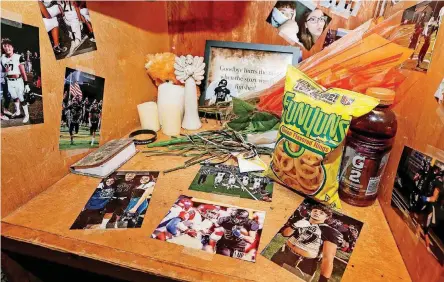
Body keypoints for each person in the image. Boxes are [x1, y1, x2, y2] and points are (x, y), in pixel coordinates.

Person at [270, 205, 343, 282]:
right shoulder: (302, 220)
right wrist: (294, 226)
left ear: (327, 217)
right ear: (311, 211)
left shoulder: (329, 231)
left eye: (321, 213)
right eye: (315, 211)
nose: (317, 213)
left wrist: (323, 280)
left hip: (301, 265)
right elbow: (285, 234)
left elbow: (327, 259)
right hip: (282, 253)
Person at [1, 38, 31, 123]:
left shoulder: (18, 57)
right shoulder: (3, 58)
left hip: (18, 80)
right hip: (9, 81)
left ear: (13, 47)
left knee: (21, 98)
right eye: (5, 46)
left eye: (9, 46)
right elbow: (3, 69)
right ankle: (18, 111)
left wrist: (26, 84)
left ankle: (27, 115)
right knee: (14, 97)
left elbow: (23, 71)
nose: (7, 48)